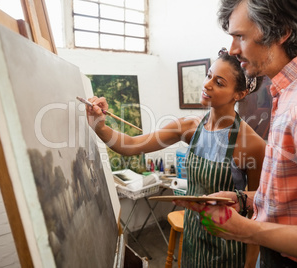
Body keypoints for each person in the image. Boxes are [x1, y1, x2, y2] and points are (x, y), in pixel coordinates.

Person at [175, 0, 297, 267]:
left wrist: (245, 230)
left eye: (240, 37)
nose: (233, 49)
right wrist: (244, 199)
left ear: (282, 32)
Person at [84, 49, 266, 267]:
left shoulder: (252, 144)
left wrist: (249, 265)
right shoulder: (189, 127)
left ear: (240, 94)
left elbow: (259, 211)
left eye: (219, 82)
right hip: (192, 239)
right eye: (208, 75)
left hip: (230, 247)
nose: (207, 85)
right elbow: (132, 145)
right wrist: (99, 126)